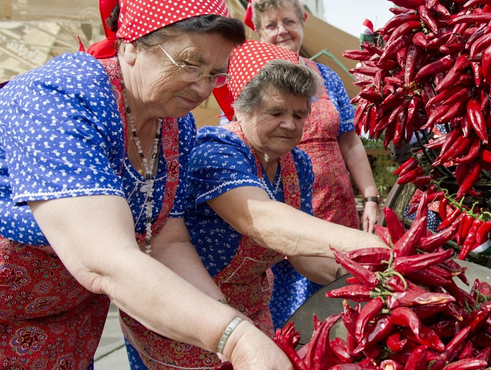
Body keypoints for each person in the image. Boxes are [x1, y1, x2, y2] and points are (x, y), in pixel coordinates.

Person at [0, 0, 294, 368]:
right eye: (190, 63)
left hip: (69, 327)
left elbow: (167, 240)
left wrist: (224, 321)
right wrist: (235, 338)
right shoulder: (58, 98)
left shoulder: (175, 123)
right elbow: (105, 258)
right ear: (132, 45)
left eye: (215, 74)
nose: (203, 87)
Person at [123, 40, 388, 370]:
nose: (290, 124)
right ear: (241, 108)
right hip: (190, 309)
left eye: (298, 114)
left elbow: (299, 251)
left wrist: (352, 272)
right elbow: (262, 221)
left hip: (251, 310)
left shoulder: (298, 165)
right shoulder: (216, 150)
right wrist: (369, 247)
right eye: (275, 112)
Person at [245, 0, 381, 329]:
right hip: (283, 210)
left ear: (303, 22)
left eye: (288, 21)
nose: (282, 31)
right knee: (293, 321)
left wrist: (371, 196)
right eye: (271, 25)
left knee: (343, 306)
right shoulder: (251, 79)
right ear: (259, 31)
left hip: (338, 208)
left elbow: (349, 140)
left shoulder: (327, 76)